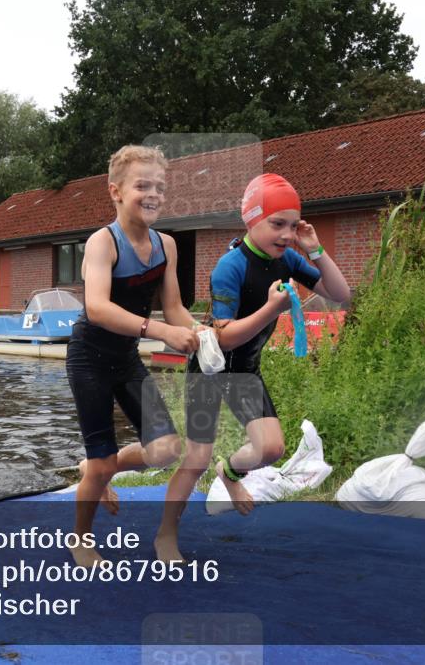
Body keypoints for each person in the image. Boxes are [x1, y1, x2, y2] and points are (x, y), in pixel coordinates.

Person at [154, 173, 352, 563]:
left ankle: (228, 473)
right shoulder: (229, 267)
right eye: (277, 224)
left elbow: (341, 295)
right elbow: (225, 339)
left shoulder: (290, 258)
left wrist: (315, 250)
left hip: (245, 373)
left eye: (293, 226)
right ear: (251, 221)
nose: (286, 234)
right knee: (195, 460)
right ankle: (165, 535)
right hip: (210, 372)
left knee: (271, 448)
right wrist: (271, 309)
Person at [66, 145, 203, 568]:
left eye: (160, 187)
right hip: (89, 357)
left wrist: (201, 332)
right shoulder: (101, 243)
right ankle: (81, 538)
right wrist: (161, 332)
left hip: (125, 358)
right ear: (116, 192)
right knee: (101, 459)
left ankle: (99, 470)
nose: (153, 194)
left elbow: (175, 307)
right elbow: (98, 308)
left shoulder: (167, 246)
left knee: (165, 449)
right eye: (142, 185)